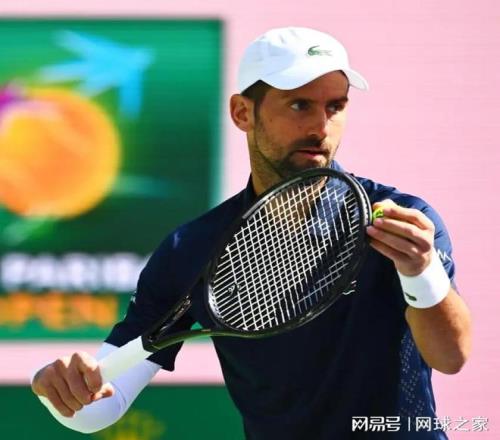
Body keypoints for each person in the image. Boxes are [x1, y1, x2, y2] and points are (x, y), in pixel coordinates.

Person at [31, 27, 471, 439]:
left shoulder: (404, 221)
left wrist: (421, 272)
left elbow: (451, 358)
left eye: (335, 107)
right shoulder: (191, 249)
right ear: (243, 112)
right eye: (299, 105)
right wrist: (58, 389)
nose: (321, 127)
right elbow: (100, 407)